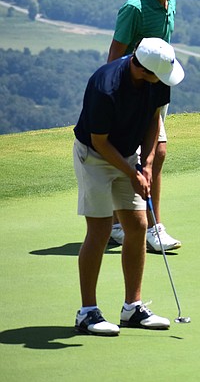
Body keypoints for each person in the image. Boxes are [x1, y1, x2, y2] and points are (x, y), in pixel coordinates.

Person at [72, 38, 185, 336]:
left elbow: (152, 120)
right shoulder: (105, 86)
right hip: (94, 156)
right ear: (142, 69)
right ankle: (87, 312)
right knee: (99, 231)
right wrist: (131, 173)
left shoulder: (157, 79)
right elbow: (99, 141)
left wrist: (146, 165)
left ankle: (132, 307)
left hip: (128, 154)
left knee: (137, 226)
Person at [106, 0, 192, 251]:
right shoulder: (134, 8)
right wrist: (114, 97)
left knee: (148, 153)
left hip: (157, 87)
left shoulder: (171, 2)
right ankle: (153, 228)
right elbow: (115, 54)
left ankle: (118, 225)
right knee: (155, 152)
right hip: (132, 92)